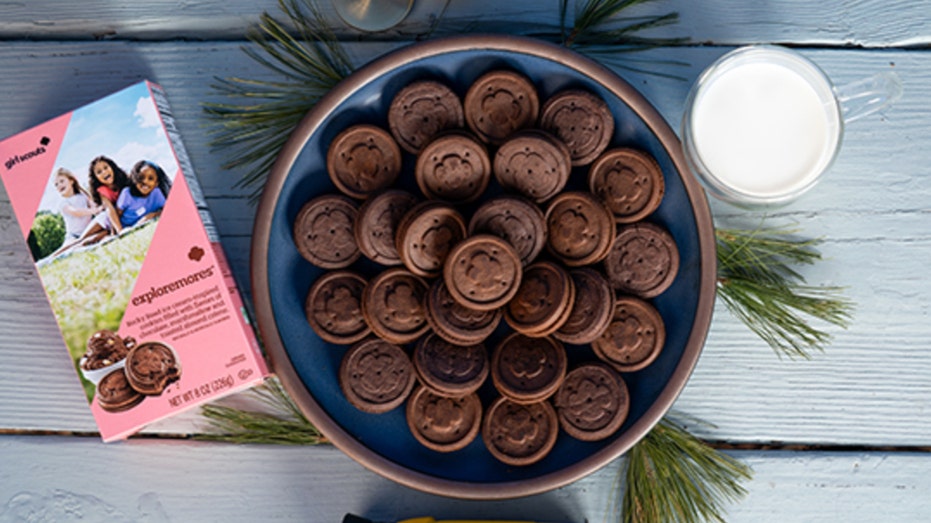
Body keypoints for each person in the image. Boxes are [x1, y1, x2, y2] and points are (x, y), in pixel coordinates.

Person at [116, 160, 170, 229]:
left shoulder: (156, 193)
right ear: (135, 178)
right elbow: (116, 215)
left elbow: (167, 210)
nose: (145, 181)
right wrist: (118, 231)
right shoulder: (127, 193)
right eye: (141, 177)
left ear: (156, 183)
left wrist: (153, 215)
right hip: (122, 226)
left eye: (150, 178)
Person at [53, 167, 100, 240]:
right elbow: (76, 212)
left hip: (90, 231)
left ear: (71, 181)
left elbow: (94, 206)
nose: (59, 185)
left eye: (62, 181)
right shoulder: (63, 203)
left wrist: (97, 209)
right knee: (71, 248)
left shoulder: (83, 195)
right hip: (73, 236)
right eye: (56, 184)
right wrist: (94, 210)